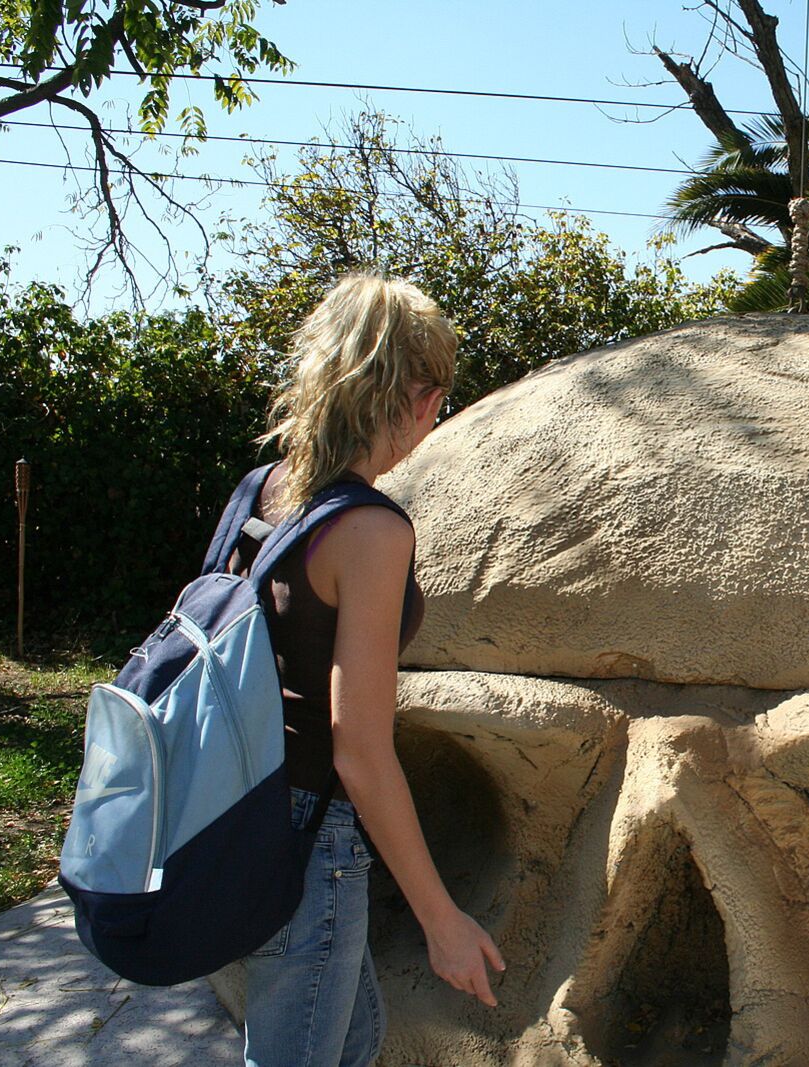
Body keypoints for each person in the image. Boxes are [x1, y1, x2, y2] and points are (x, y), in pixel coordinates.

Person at [229, 274, 505, 1066]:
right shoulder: (372, 530)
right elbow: (359, 748)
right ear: (420, 398)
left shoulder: (268, 490)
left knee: (354, 1040)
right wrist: (440, 918)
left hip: (244, 810)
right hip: (311, 839)